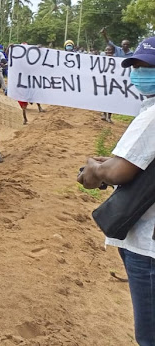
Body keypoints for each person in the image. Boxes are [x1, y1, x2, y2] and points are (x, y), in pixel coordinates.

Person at [78, 36, 155, 345]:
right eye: (134, 65)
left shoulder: (152, 117)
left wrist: (93, 167)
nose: (138, 72)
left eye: (147, 66)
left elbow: (119, 172)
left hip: (148, 248)